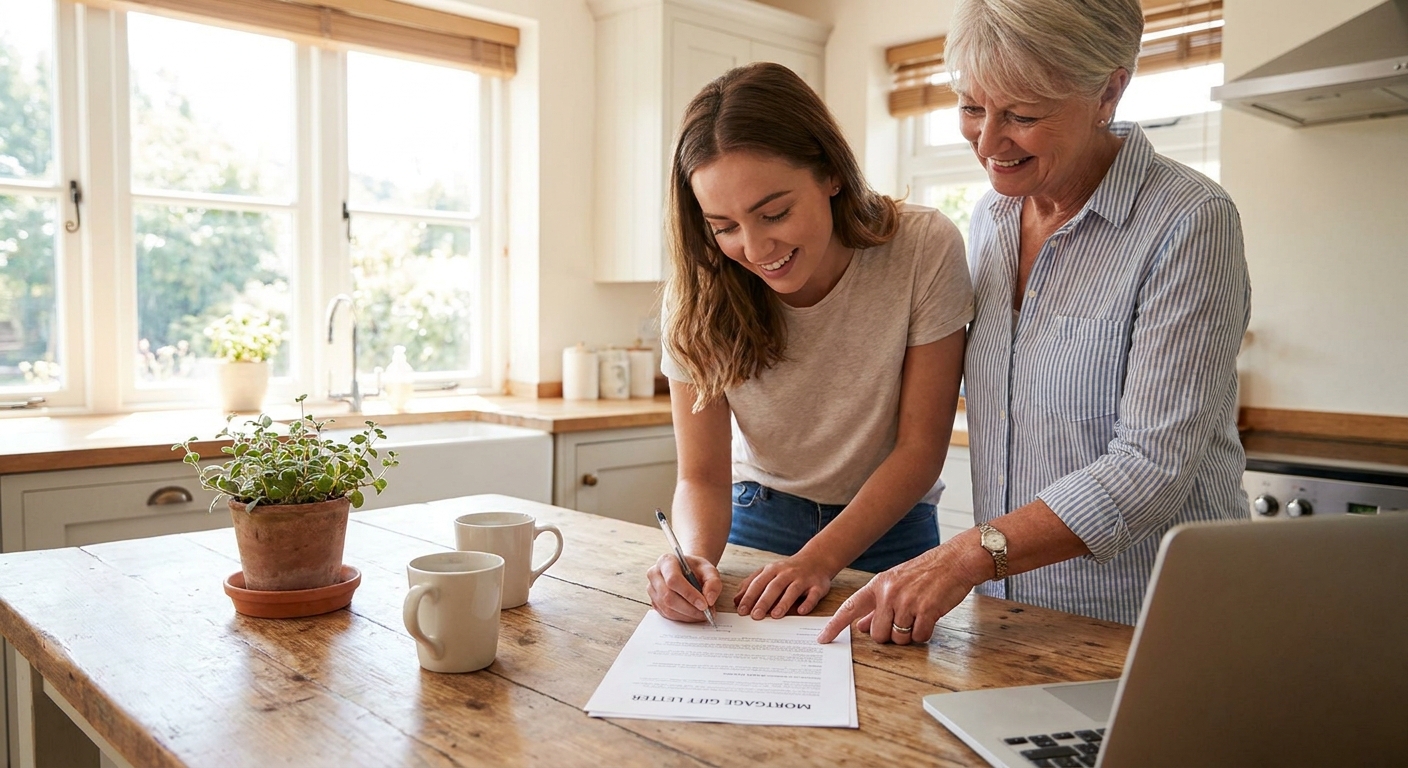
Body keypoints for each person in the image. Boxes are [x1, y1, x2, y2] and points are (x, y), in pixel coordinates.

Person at [820, 0, 1251, 646]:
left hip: (1152, 624)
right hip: (1011, 623)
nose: (989, 144)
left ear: (1110, 88)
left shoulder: (1190, 222)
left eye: (1022, 115)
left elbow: (1151, 465)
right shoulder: (992, 221)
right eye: (971, 107)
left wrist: (965, 555)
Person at [646, 62, 974, 625]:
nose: (753, 247)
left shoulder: (923, 247)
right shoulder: (700, 291)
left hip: (893, 528)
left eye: (774, 212)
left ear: (831, 174)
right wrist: (693, 556)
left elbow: (920, 450)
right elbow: (700, 476)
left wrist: (819, 560)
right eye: (724, 226)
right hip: (760, 519)